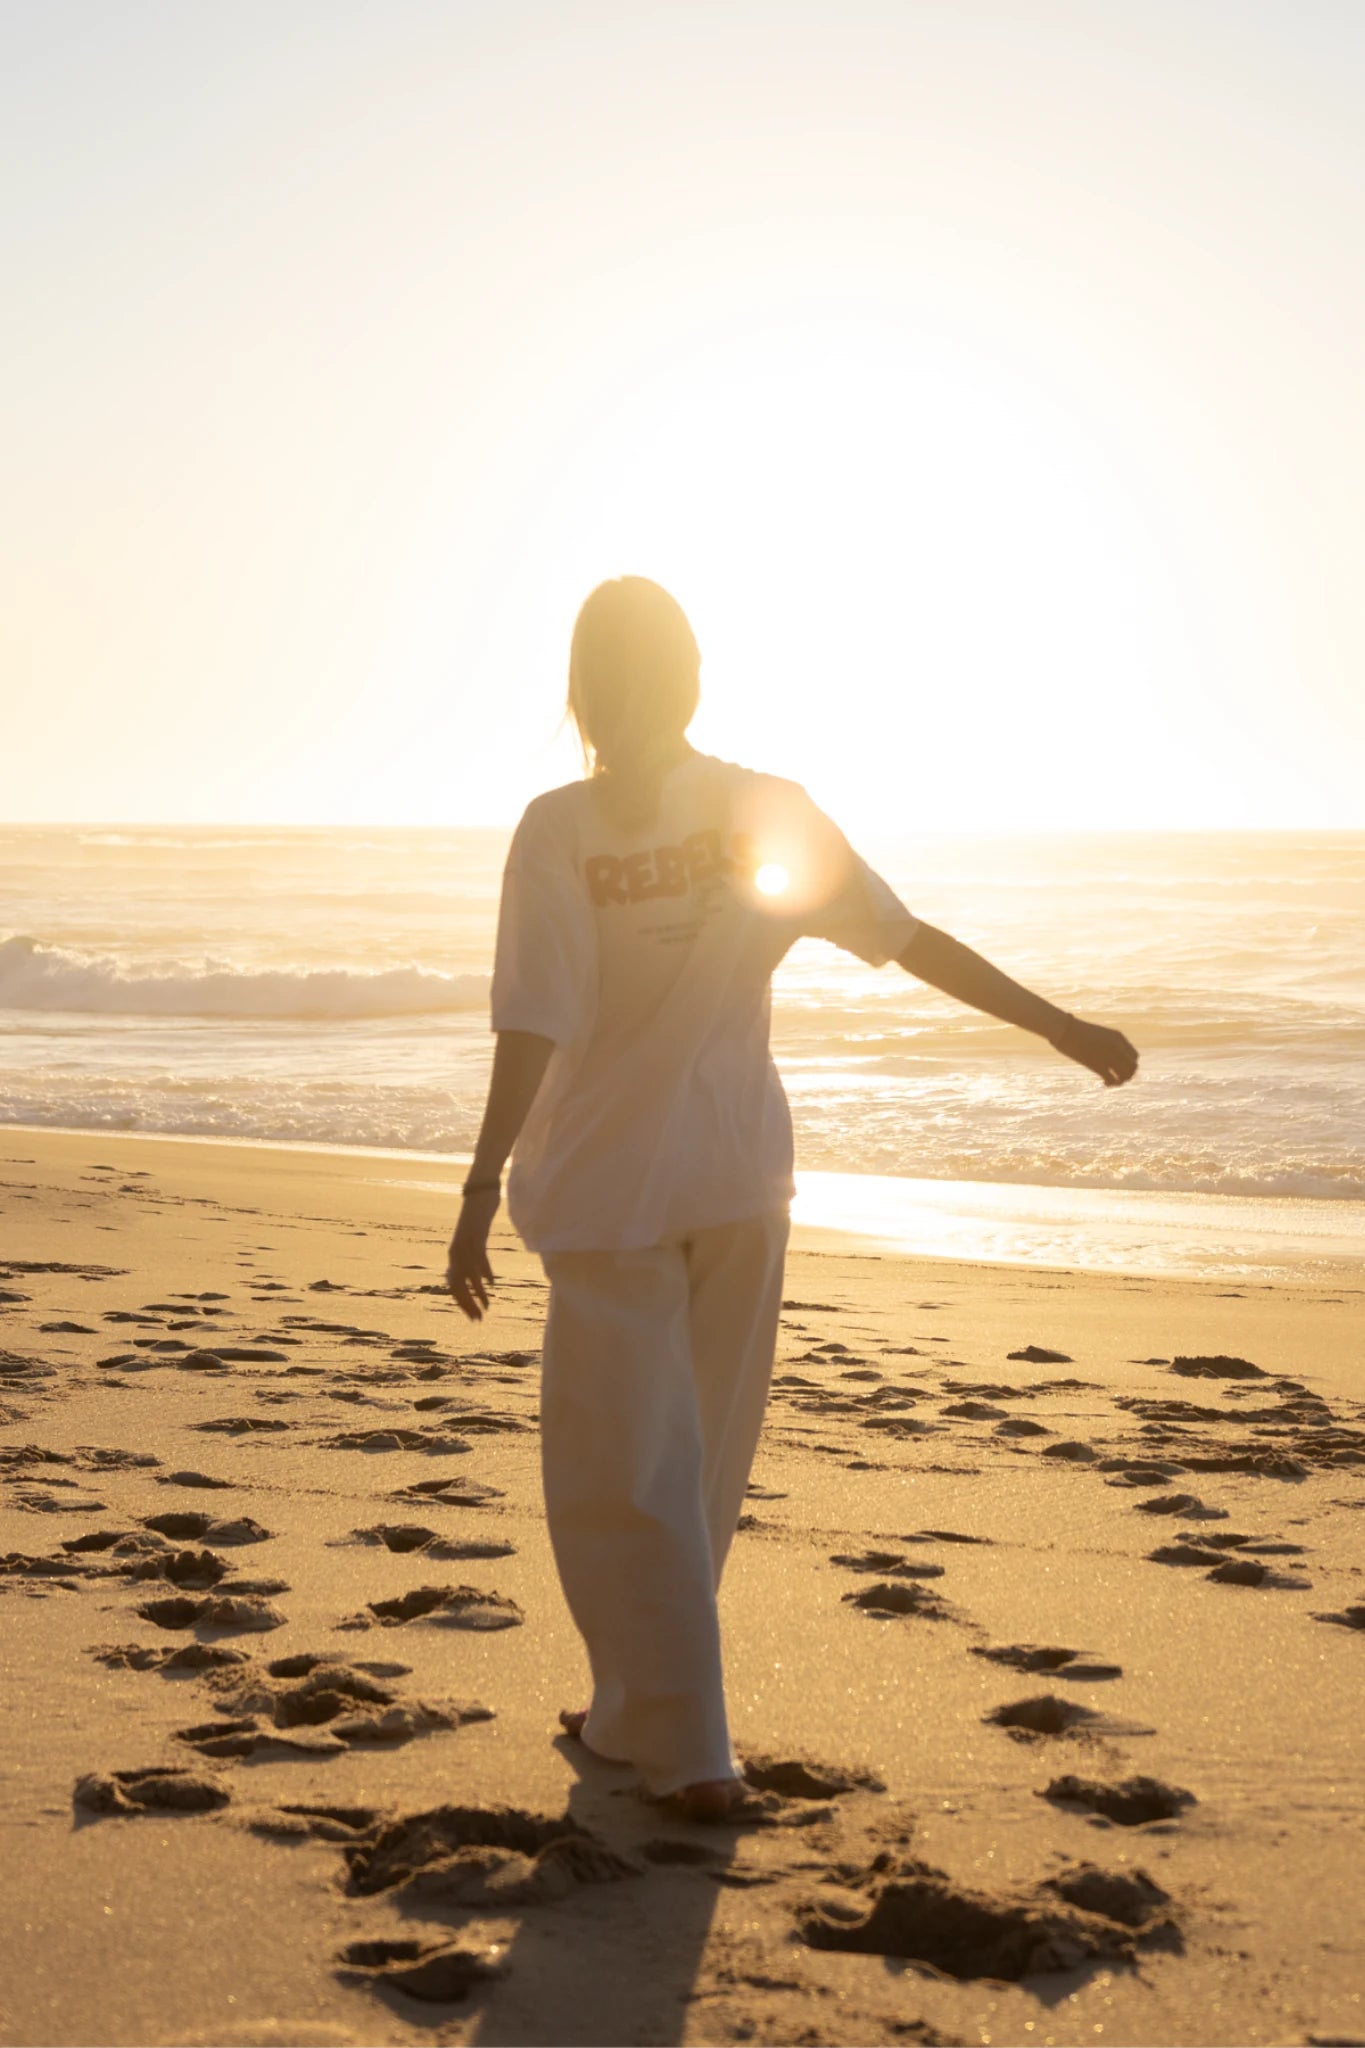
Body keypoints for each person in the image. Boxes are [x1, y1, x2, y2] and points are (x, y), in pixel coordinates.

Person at [446, 575, 1138, 1823]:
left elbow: (531, 1017)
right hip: (735, 1177)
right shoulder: (762, 808)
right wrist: (1059, 1024)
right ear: (694, 678)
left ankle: (691, 1752)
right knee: (698, 1467)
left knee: (622, 1475)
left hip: (608, 1186)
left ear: (583, 692)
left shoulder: (559, 829)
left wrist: (481, 1179)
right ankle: (632, 1711)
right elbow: (907, 939)